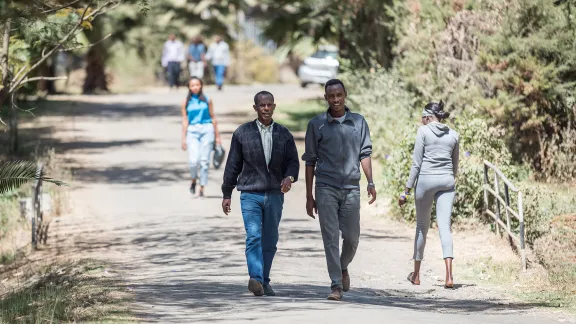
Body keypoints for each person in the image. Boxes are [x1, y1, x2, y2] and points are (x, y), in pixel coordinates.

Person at [302, 79, 376, 301]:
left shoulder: (359, 122)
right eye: (331, 96)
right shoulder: (317, 125)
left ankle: (342, 267)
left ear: (345, 94)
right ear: (326, 98)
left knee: (352, 238)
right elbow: (309, 162)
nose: (335, 100)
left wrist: (370, 182)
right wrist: (309, 196)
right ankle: (336, 285)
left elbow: (365, 153)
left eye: (339, 95)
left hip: (352, 187)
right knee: (330, 238)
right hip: (325, 187)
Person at [221, 91, 299, 296]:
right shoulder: (242, 133)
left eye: (269, 105)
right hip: (250, 194)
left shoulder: (284, 134)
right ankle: (255, 278)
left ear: (274, 107)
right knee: (254, 236)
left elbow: (293, 161)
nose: (265, 108)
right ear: (255, 108)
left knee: (270, 239)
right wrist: (227, 193)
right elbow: (232, 165)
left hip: (274, 194)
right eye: (261, 105)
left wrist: (289, 178)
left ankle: (264, 281)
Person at [399, 100, 459, 289]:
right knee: (445, 227)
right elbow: (455, 165)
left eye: (422, 118)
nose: (422, 122)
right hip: (447, 181)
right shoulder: (454, 135)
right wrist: (447, 179)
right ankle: (449, 276)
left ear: (427, 117)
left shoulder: (423, 131)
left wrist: (406, 190)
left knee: (422, 226)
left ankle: (416, 275)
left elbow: (416, 164)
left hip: (425, 181)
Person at [181, 77, 222, 197]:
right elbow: (185, 120)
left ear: (201, 86)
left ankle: (202, 187)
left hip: (207, 129)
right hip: (192, 130)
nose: (195, 87)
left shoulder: (208, 100)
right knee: (193, 161)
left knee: (204, 161)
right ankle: (194, 180)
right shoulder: (185, 102)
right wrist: (183, 138)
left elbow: (213, 117)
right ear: (189, 87)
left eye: (197, 85)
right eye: (193, 85)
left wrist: (217, 136)